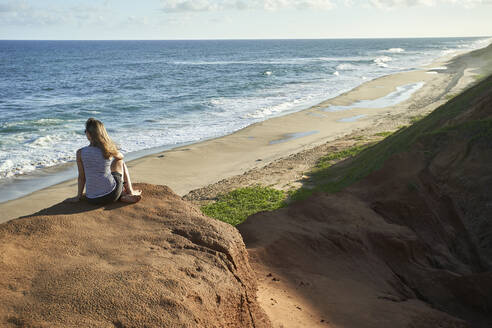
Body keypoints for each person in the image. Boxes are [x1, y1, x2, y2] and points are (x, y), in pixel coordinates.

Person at [67, 118, 142, 204]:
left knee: (106, 170)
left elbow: (82, 177)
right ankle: (129, 192)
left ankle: (122, 195)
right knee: (120, 162)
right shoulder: (107, 149)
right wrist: (110, 147)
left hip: (92, 199)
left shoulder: (80, 153)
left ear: (88, 134)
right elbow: (121, 157)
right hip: (111, 194)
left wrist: (78, 197)